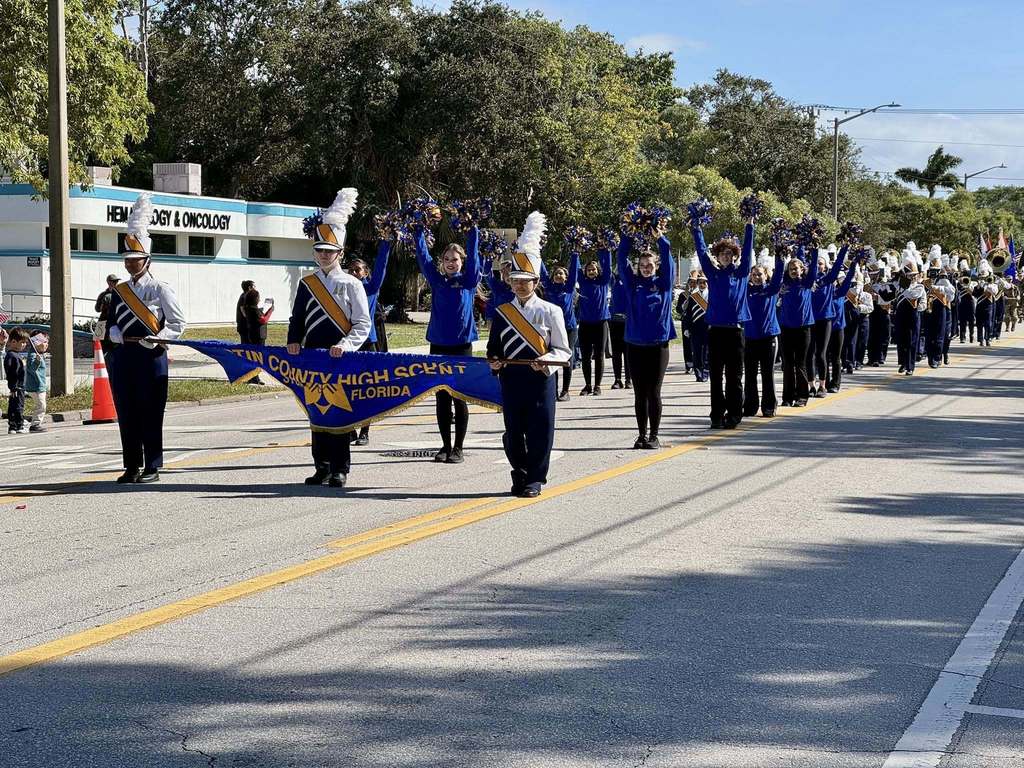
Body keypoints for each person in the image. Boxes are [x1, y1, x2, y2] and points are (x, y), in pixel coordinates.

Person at [287, 188, 370, 488]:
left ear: (340, 254)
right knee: (315, 412)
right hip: (312, 356)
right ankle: (320, 466)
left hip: (339, 358)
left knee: (338, 413)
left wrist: (344, 345)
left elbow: (362, 324)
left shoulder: (352, 284)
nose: (323, 255)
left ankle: (339, 468)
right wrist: (293, 340)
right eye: (319, 250)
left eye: (329, 251)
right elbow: (297, 319)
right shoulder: (307, 283)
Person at [486, 212, 571, 498]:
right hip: (511, 378)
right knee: (513, 432)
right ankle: (519, 472)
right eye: (516, 280)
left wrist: (545, 363)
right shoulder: (502, 312)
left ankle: (535, 478)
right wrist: (495, 362)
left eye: (526, 280)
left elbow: (564, 350)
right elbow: (493, 348)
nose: (520, 285)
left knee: (540, 431)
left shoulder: (551, 311)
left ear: (536, 281)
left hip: (540, 380)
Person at [106, 193, 187, 483]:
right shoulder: (120, 291)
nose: (130, 264)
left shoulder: (161, 289)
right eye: (127, 259)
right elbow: (110, 321)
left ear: (147, 259)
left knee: (151, 412)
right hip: (124, 356)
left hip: (151, 356)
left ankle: (152, 465)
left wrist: (160, 338)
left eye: (136, 259)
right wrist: (112, 331)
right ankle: (131, 466)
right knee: (127, 412)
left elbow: (178, 322)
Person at [414, 214, 481, 464]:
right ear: (442, 263)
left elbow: (474, 258)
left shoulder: (469, 281)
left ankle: (459, 448)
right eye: (447, 259)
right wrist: (418, 230)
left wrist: (472, 229)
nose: (451, 263)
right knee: (442, 397)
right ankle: (444, 446)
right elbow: (423, 257)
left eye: (455, 259)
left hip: (462, 346)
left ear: (462, 262)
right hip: (439, 345)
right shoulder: (437, 280)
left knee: (459, 397)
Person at [692, 217, 755, 429]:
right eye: (722, 254)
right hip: (716, 332)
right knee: (716, 377)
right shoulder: (713, 273)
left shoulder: (742, 273)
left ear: (734, 257)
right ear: (718, 257)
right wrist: (696, 228)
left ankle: (734, 415)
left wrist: (749, 226)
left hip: (736, 332)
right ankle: (716, 415)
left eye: (730, 254)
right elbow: (702, 252)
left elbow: (748, 250)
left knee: (735, 377)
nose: (726, 256)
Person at [618, 229, 675, 449]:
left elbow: (667, 251)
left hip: (658, 345)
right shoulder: (632, 284)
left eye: (649, 265)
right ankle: (641, 435)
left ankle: (654, 435)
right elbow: (621, 258)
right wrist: (628, 233)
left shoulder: (664, 284)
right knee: (639, 393)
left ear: (656, 265)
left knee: (654, 392)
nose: (646, 268)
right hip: (635, 344)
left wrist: (659, 236)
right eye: (642, 265)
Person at [347, 239, 391, 445]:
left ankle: (364, 431)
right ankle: (349, 429)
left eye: (358, 270)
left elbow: (381, 267)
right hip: (348, 344)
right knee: (348, 388)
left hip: (367, 342)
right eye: (351, 270)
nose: (354, 273)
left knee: (367, 389)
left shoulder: (370, 289)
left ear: (365, 272)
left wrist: (386, 243)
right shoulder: (343, 289)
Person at [743, 253, 784, 416]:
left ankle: (769, 406)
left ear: (766, 275)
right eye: (754, 275)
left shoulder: (771, 289)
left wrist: (780, 253)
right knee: (750, 374)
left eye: (760, 274)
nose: (757, 277)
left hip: (769, 338)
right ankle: (750, 406)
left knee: (767, 374)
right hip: (750, 338)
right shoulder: (746, 291)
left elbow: (779, 274)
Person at [778, 248, 819, 407]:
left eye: (797, 268)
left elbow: (814, 267)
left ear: (803, 270)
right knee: (787, 364)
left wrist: (814, 248)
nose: (794, 271)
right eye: (791, 269)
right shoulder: (784, 284)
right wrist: (779, 250)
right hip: (786, 328)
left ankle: (802, 396)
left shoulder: (807, 283)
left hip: (804, 328)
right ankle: (787, 397)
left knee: (800, 363)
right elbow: (779, 270)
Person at [807, 246, 846, 397]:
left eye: (821, 264)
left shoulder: (828, 279)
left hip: (825, 320)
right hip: (810, 320)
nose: (818, 266)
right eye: (816, 263)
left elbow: (837, 265)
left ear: (825, 266)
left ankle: (823, 386)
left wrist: (845, 247)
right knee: (809, 355)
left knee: (822, 354)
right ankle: (811, 385)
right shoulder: (808, 280)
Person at [540, 253, 579, 401]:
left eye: (561, 273)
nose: (558, 275)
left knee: (566, 359)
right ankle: (553, 391)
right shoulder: (548, 287)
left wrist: (575, 254)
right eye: (556, 273)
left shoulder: (569, 288)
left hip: (569, 327)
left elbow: (574, 271)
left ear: (566, 277)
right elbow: (542, 272)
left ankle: (565, 391)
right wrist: (538, 253)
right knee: (554, 359)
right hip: (552, 328)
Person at [825, 254, 865, 392]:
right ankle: (824, 383)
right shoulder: (825, 291)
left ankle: (835, 384)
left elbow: (849, 278)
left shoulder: (841, 292)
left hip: (838, 327)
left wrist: (854, 263)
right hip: (825, 327)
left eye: (839, 279)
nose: (838, 281)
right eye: (836, 279)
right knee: (824, 356)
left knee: (836, 357)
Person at [575, 248, 612, 396]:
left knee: (599, 355)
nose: (591, 271)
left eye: (593, 269)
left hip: (601, 323)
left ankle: (597, 385)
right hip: (585, 323)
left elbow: (608, 267)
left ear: (598, 271)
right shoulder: (582, 282)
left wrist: (605, 250)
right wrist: (575, 252)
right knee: (585, 356)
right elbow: (577, 268)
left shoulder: (603, 282)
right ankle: (587, 385)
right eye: (589, 269)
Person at [894, 258, 926, 375]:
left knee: (912, 341)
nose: (913, 277)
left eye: (914, 275)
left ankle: (910, 366)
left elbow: (917, 297)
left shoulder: (919, 287)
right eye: (910, 275)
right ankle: (903, 363)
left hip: (913, 315)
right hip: (901, 315)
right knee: (901, 340)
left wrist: (919, 307)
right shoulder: (899, 286)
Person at [680, 272, 709, 382]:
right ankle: (698, 373)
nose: (702, 284)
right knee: (696, 352)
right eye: (700, 282)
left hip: (708, 328)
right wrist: (687, 328)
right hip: (695, 328)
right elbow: (688, 314)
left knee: (707, 352)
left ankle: (706, 372)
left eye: (705, 282)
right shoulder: (693, 297)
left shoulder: (712, 296)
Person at [866, 267, 895, 366]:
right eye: (871, 274)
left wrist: (877, 297)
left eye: (875, 274)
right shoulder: (867, 285)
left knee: (883, 335)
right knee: (872, 336)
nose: (872, 276)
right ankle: (871, 358)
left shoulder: (886, 285)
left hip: (883, 311)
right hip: (872, 312)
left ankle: (881, 356)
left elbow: (889, 298)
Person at [924, 276, 955, 368]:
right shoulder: (926, 281)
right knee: (930, 335)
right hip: (929, 311)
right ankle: (931, 357)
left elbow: (951, 292)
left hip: (943, 311)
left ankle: (940, 356)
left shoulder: (945, 281)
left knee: (942, 336)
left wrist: (936, 288)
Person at [608, 272, 632, 389]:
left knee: (628, 353)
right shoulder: (613, 280)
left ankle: (629, 379)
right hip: (615, 321)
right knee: (616, 353)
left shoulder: (632, 281)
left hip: (629, 322)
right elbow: (606, 267)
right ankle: (617, 379)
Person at [4, 327, 29, 434]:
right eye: (22, 342)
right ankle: (19, 425)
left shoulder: (15, 355)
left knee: (14, 405)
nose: (24, 345)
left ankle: (13, 426)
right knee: (18, 406)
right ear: (13, 342)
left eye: (25, 343)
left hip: (18, 386)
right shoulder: (12, 356)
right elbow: (12, 373)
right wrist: (14, 387)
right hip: (17, 386)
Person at [25, 332, 48, 432]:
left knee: (41, 405)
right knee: (41, 405)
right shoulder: (32, 355)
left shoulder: (38, 354)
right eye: (44, 342)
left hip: (39, 385)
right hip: (36, 385)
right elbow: (31, 368)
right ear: (36, 343)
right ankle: (35, 424)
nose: (46, 345)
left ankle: (34, 423)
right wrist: (37, 361)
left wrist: (42, 357)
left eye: (47, 343)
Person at [94, 274, 120, 355]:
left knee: (115, 345)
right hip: (103, 322)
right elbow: (97, 309)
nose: (116, 283)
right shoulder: (103, 295)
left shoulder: (121, 294)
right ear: (109, 282)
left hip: (115, 323)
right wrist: (103, 305)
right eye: (114, 281)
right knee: (101, 346)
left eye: (117, 281)